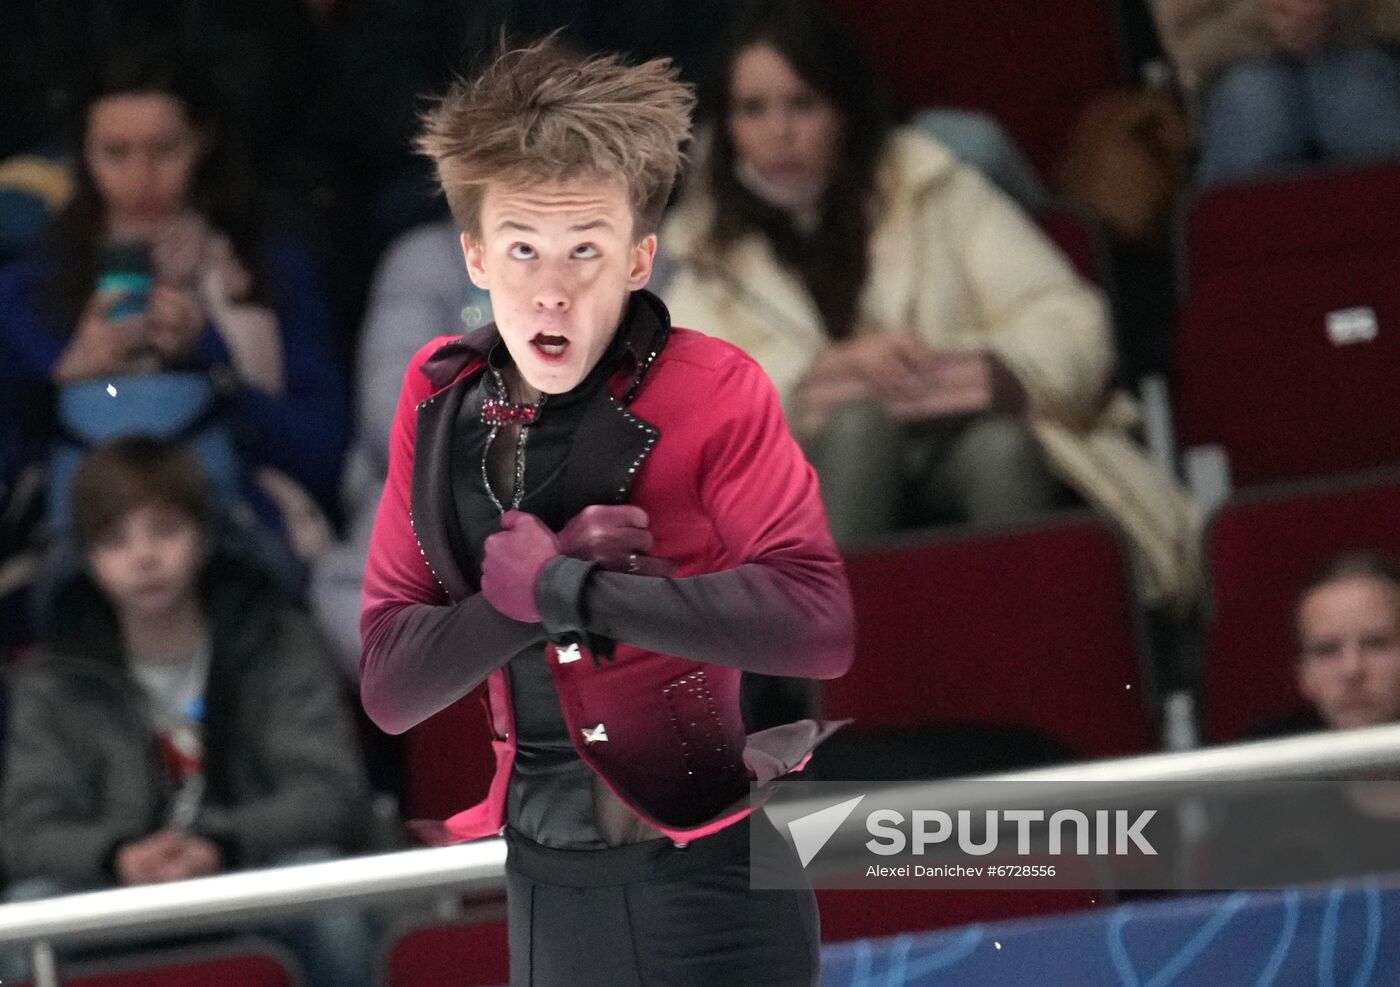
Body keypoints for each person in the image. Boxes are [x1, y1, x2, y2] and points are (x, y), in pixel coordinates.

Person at [359, 38, 855, 987]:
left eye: (585, 248)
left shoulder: (715, 390)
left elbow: (818, 625)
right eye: (521, 249)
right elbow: (390, 686)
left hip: (718, 878)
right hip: (550, 887)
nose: (552, 288)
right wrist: (518, 604)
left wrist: (572, 590)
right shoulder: (437, 402)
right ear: (474, 255)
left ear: (638, 258)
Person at [660, 0, 1199, 610]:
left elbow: (1071, 318)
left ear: (844, 108)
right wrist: (806, 386)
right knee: (860, 426)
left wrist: (989, 368)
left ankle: (1035, 663)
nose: (778, 132)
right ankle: (843, 673)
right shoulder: (701, 244)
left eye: (802, 104)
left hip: (956, 443)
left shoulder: (933, 184)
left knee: (1003, 448)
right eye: (753, 110)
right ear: (726, 126)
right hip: (802, 484)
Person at [0, 437, 374, 987]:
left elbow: (330, 792)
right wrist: (117, 856)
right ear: (89, 556)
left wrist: (221, 842)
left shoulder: (275, 641)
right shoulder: (56, 676)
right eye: (115, 539)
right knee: (24, 916)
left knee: (331, 907)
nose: (144, 557)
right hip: (112, 892)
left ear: (204, 535)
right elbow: (26, 829)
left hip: (251, 874)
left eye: (165, 530)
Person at [0, 43, 349, 561]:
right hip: (76, 539)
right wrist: (69, 377)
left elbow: (324, 456)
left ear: (203, 142)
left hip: (235, 532)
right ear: (82, 154)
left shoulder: (269, 266)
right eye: (114, 153)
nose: (140, 178)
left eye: (164, 150)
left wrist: (209, 359)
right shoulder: (30, 285)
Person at [1151, 0, 1400, 186]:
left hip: (1360, 45)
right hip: (1235, 68)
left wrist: (1334, 9)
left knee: (1357, 95)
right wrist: (1266, 18)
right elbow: (1183, 42)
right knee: (1259, 103)